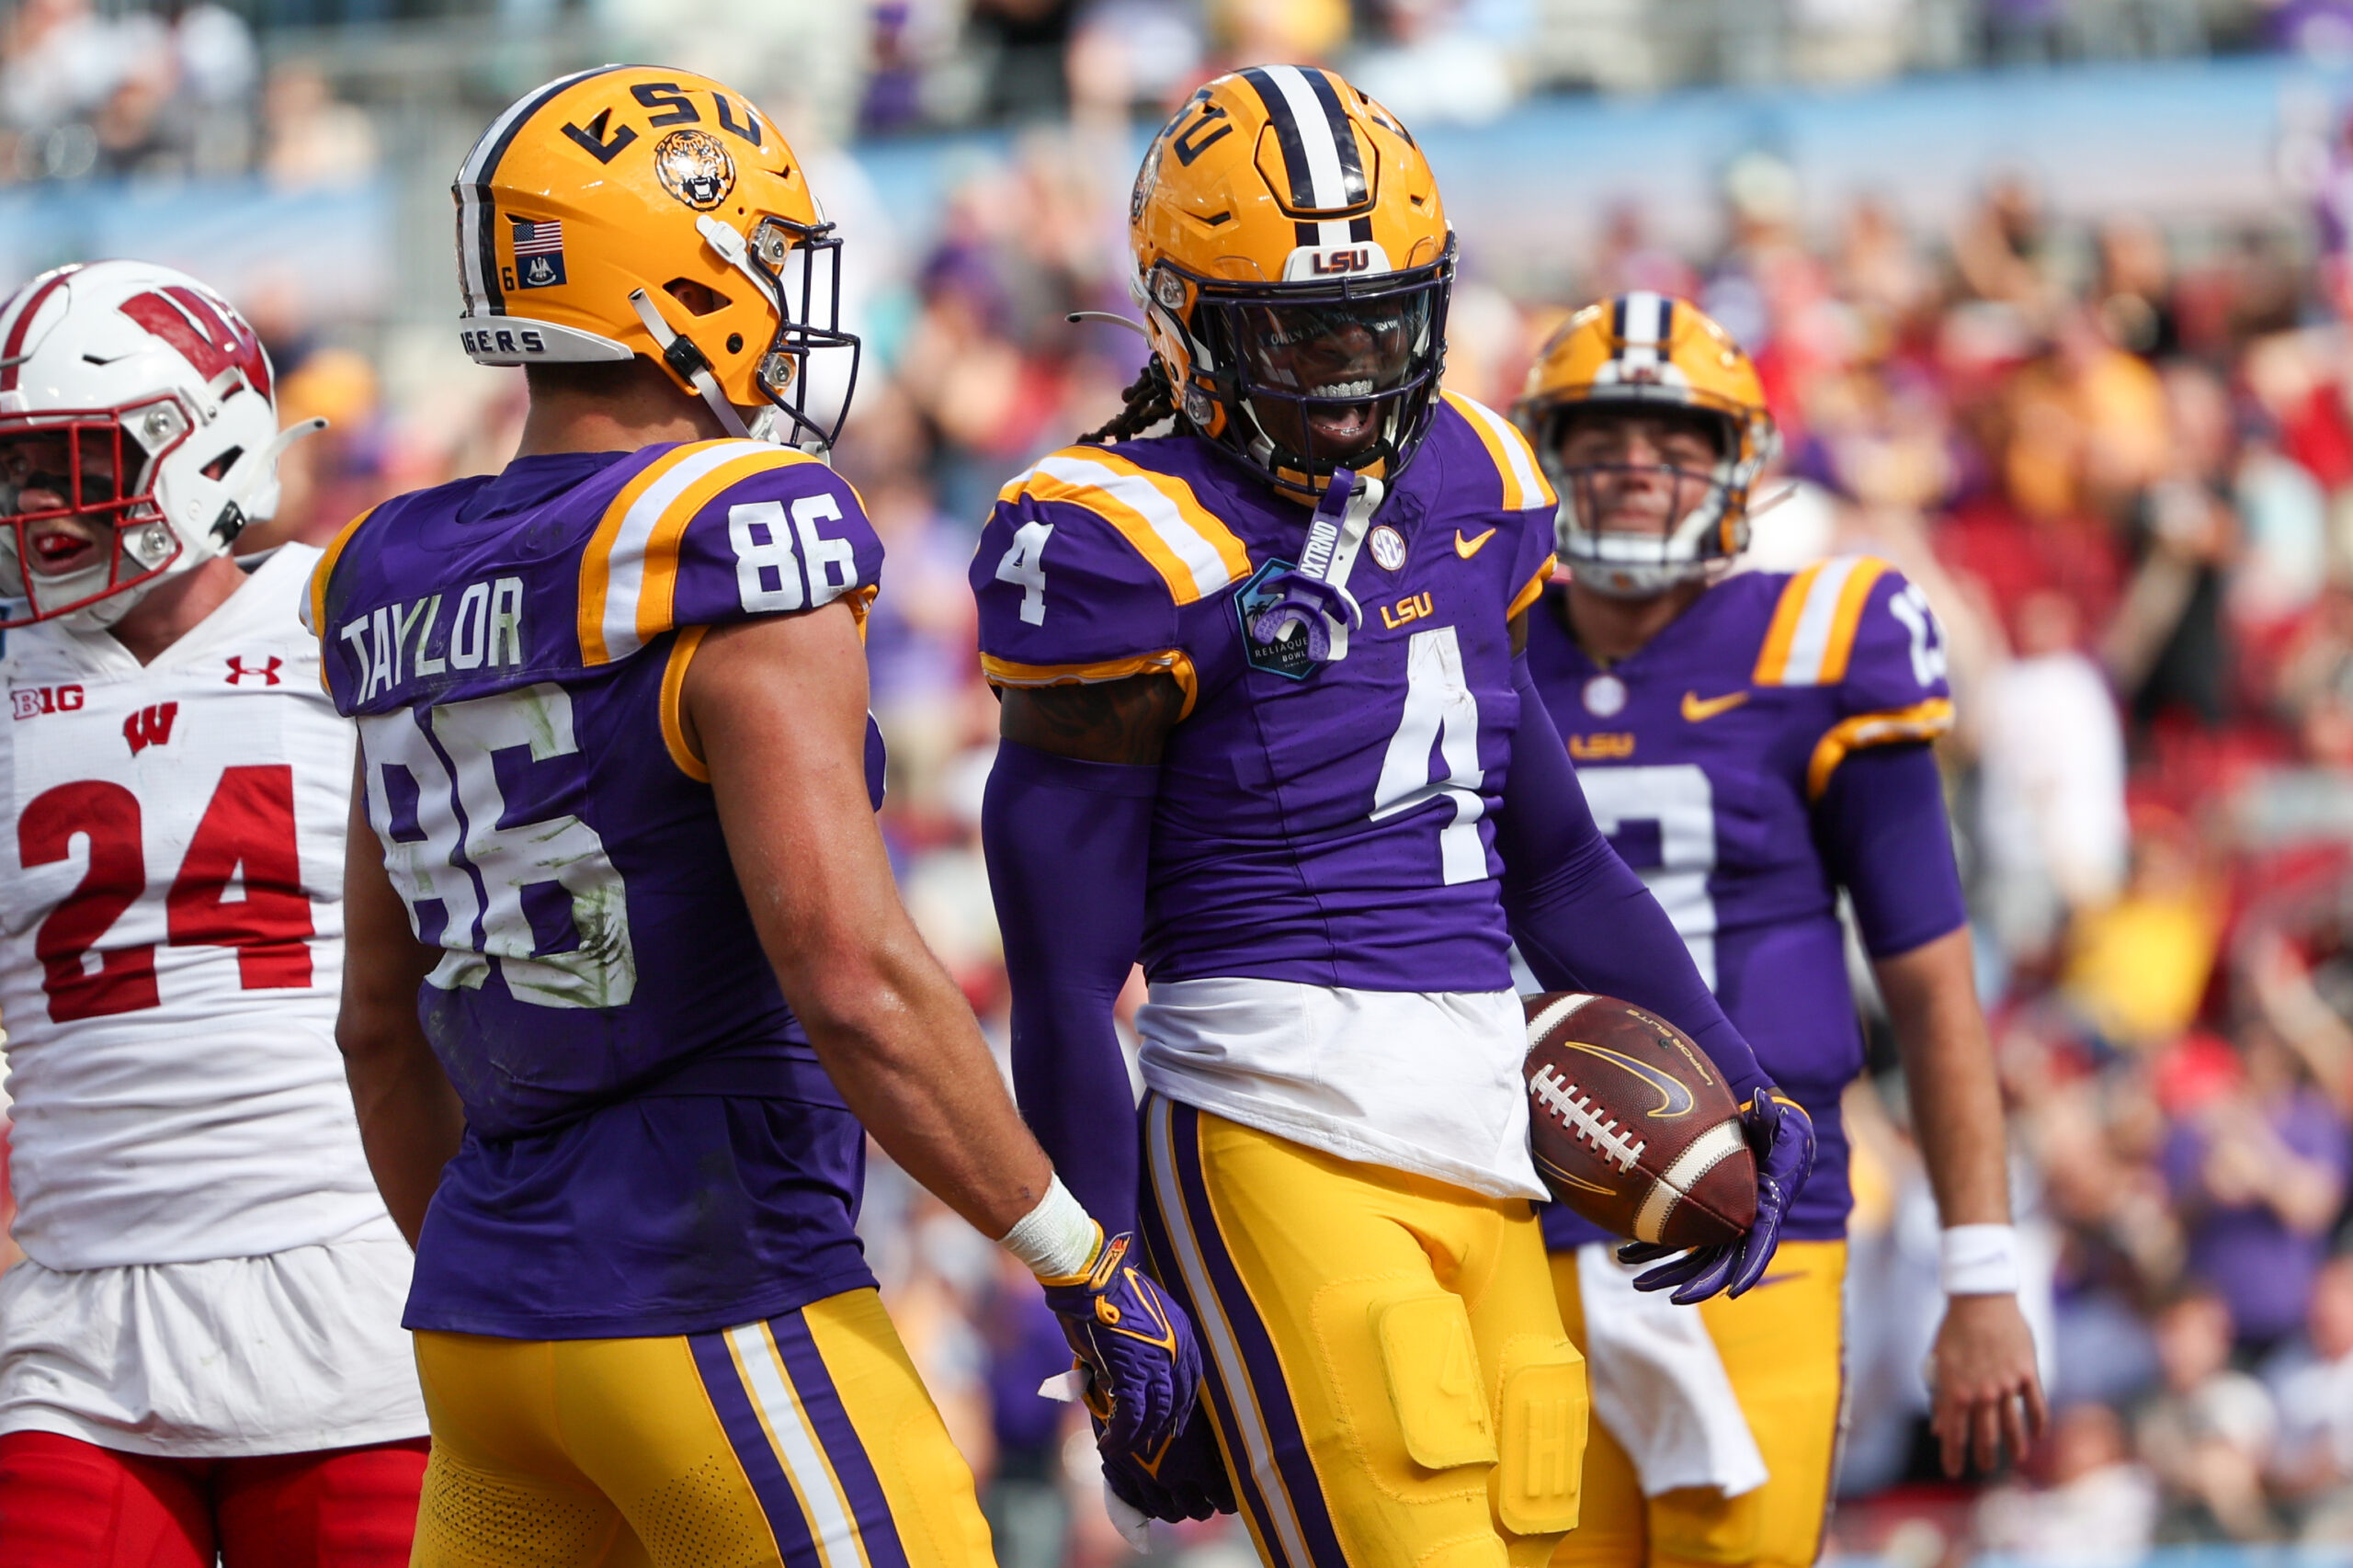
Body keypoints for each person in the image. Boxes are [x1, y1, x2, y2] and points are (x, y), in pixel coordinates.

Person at [313, 65, 1198, 1566]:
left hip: (479, 1336)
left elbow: (376, 1028)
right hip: (707, 1290)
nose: (785, 303)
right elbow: (850, 973)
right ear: (675, 277)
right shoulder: (727, 529)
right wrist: (1077, 1259)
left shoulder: (389, 564)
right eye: (765, 261)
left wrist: (523, 1291)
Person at [972, 66, 1814, 1568]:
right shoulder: (1115, 539)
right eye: (1299, 327)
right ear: (1182, 316)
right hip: (1271, 1120)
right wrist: (1106, 1289)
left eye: (1381, 316)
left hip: (1493, 1129)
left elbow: (1549, 857)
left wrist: (1733, 1072)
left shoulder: (1478, 474)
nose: (1352, 363)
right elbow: (1060, 978)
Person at [1511, 292, 2048, 1568]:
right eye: (1600, 432)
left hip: (1754, 1213)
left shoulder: (1826, 637)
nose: (1637, 464)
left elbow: (1932, 987)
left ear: (1741, 462)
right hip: (1513, 1211)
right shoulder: (1473, 647)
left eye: (1676, 436)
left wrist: (1978, 1269)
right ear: (1546, 452)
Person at [0, 259, 427, 1564]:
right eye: (19, 468)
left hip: (350, 1298)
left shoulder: (348, 617)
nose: (37, 506)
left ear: (208, 446)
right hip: (77, 1331)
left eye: (76, 460)